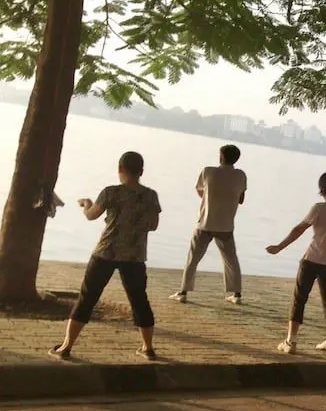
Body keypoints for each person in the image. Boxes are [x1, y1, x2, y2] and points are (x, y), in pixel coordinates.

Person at [49, 152, 161, 360]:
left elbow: (91, 216)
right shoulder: (151, 196)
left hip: (105, 252)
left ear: (120, 169)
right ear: (141, 172)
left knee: (87, 298)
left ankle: (66, 347)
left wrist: (85, 204)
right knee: (139, 300)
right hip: (135, 256)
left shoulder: (110, 192)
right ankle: (147, 348)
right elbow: (153, 225)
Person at [266, 171, 326, 355]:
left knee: (299, 299)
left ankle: (290, 342)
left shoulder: (318, 208)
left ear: (322, 190)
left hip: (311, 260)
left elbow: (299, 229)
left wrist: (279, 247)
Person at [170, 145, 247, 305]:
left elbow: (200, 191)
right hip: (226, 225)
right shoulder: (240, 175)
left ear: (220, 157)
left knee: (193, 259)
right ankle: (237, 295)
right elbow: (241, 199)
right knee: (231, 260)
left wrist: (211, 196)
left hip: (205, 223)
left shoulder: (208, 171)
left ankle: (183, 292)